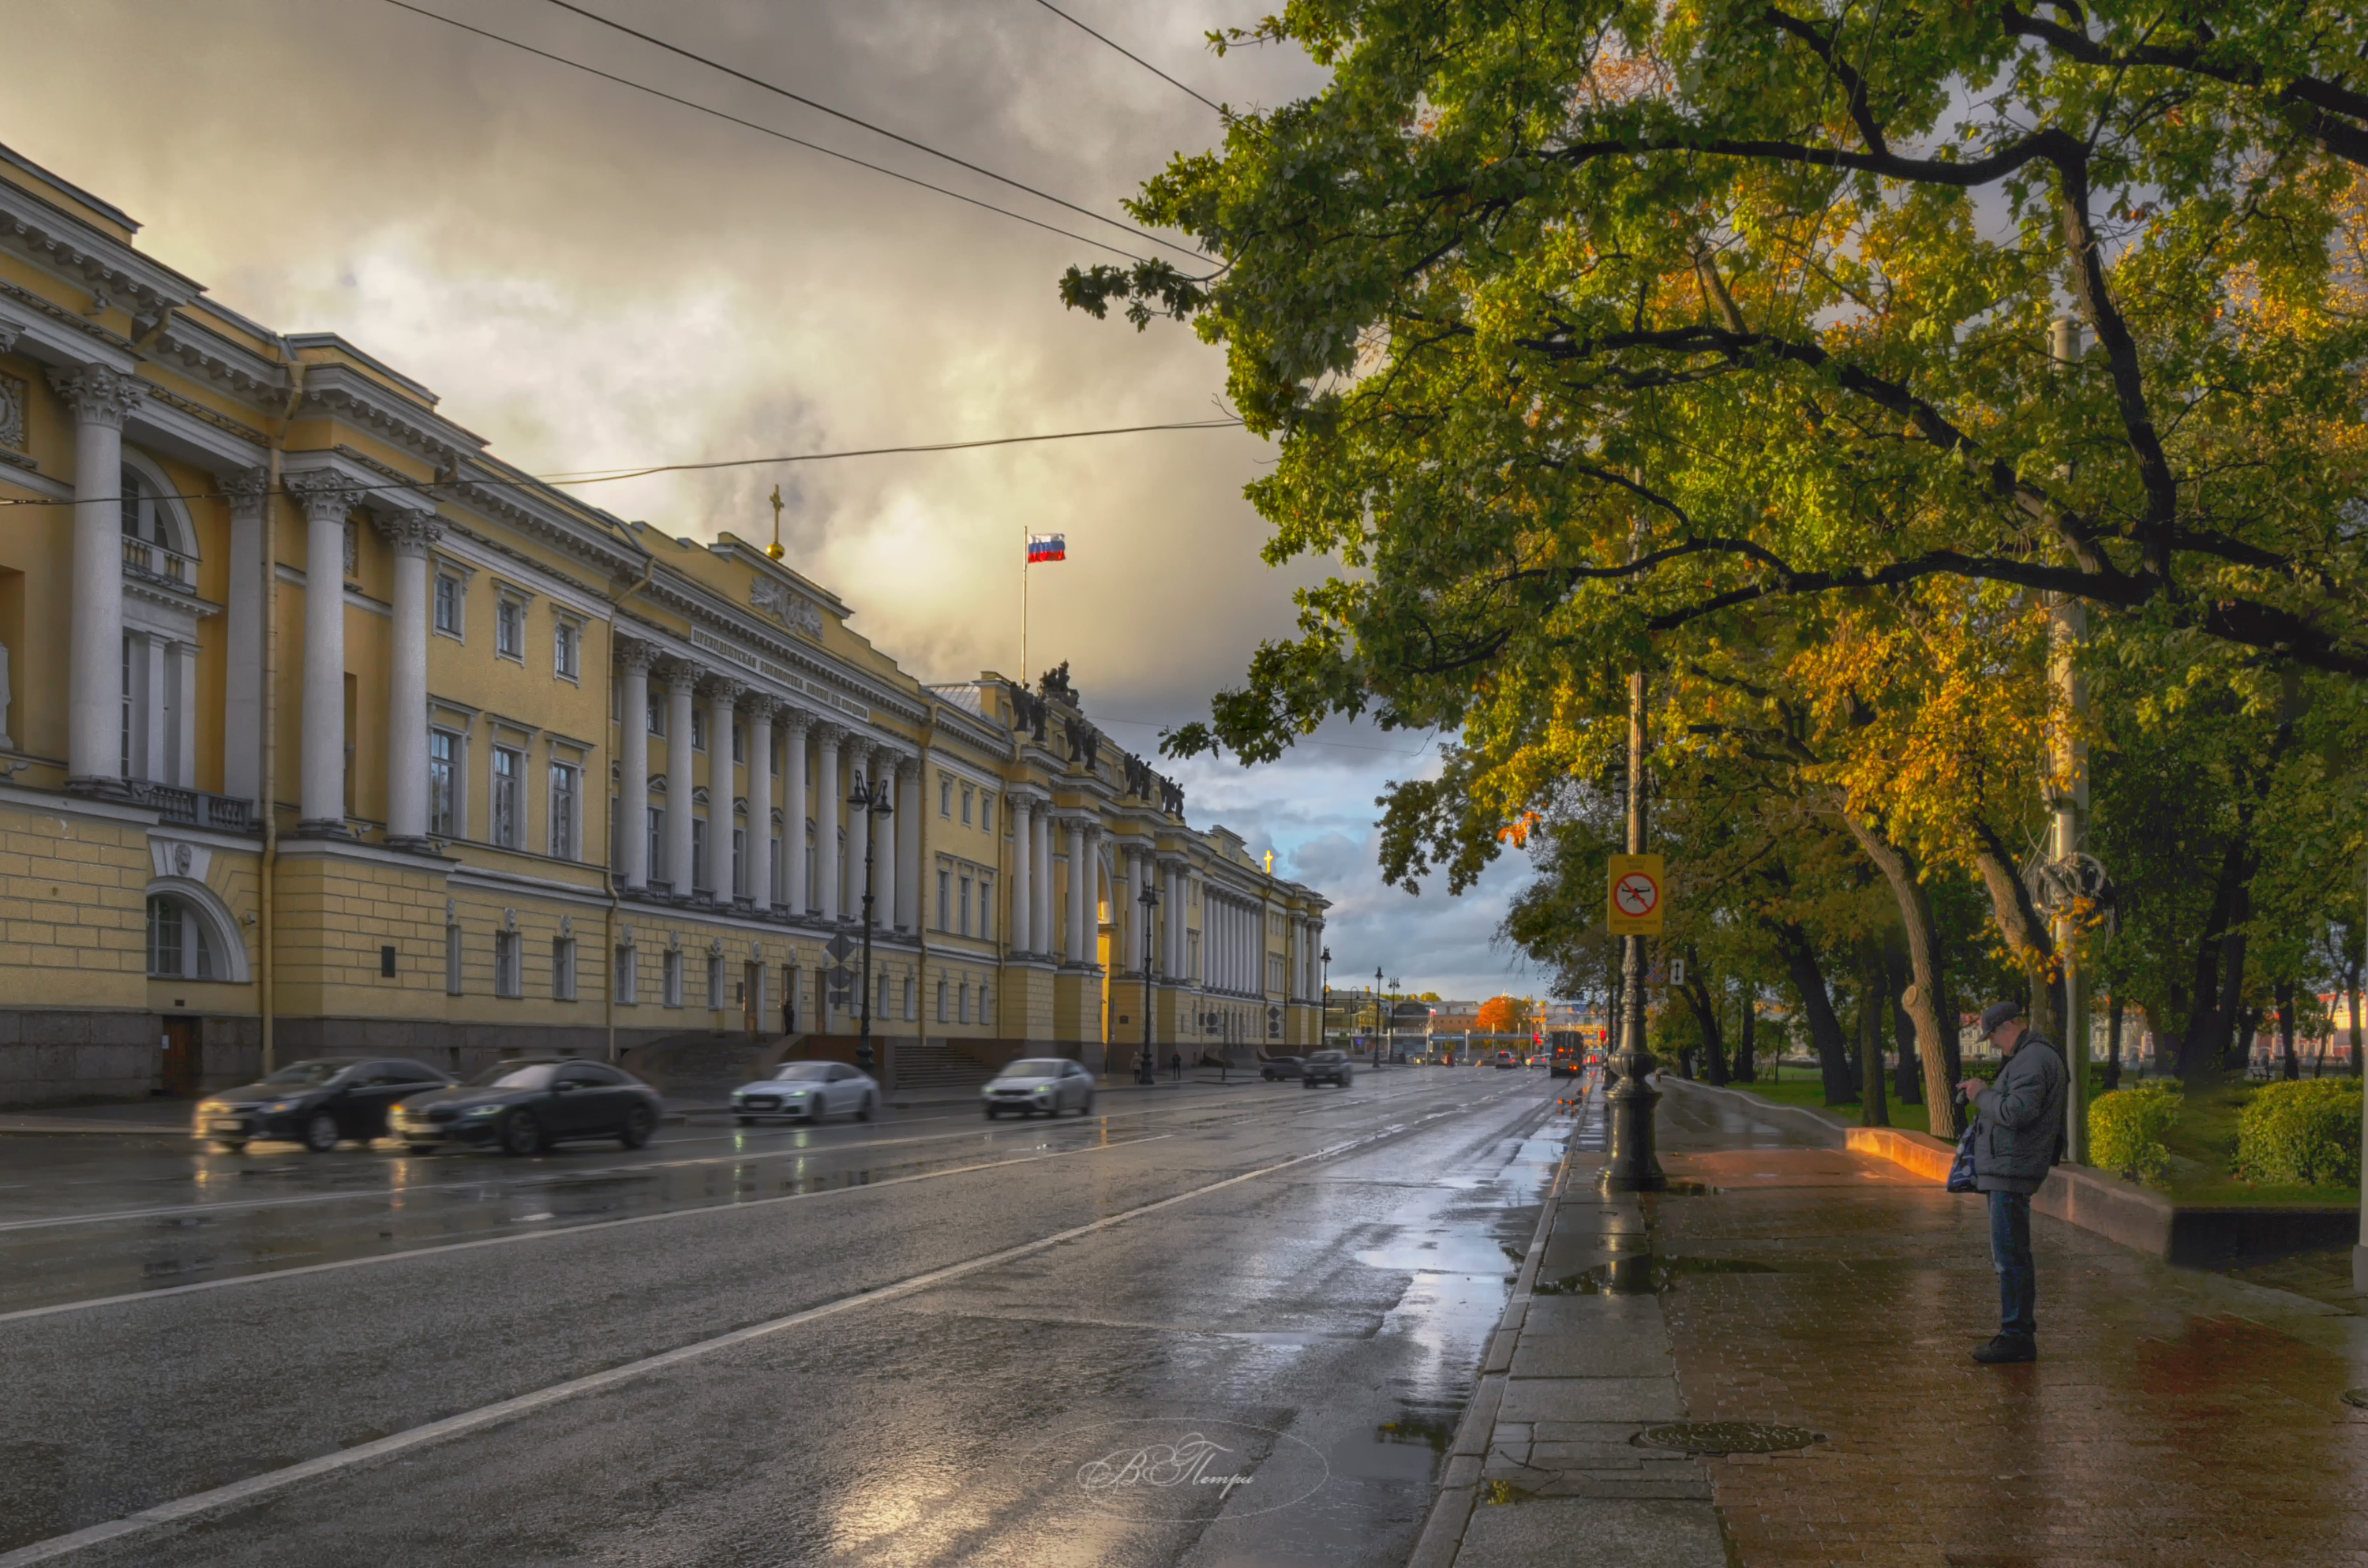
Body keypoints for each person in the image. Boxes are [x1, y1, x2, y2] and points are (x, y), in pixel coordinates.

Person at [1958, 1000, 2067, 1365]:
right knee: (2011, 1253)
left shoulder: (2032, 1059)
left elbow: (2016, 1112)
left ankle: (2017, 1335)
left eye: (1992, 1037)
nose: (1991, 1045)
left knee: (2010, 1257)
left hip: (2012, 1169)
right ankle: (2016, 1333)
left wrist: (1980, 1095)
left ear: (2007, 1027)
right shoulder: (2029, 1057)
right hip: (2009, 1167)